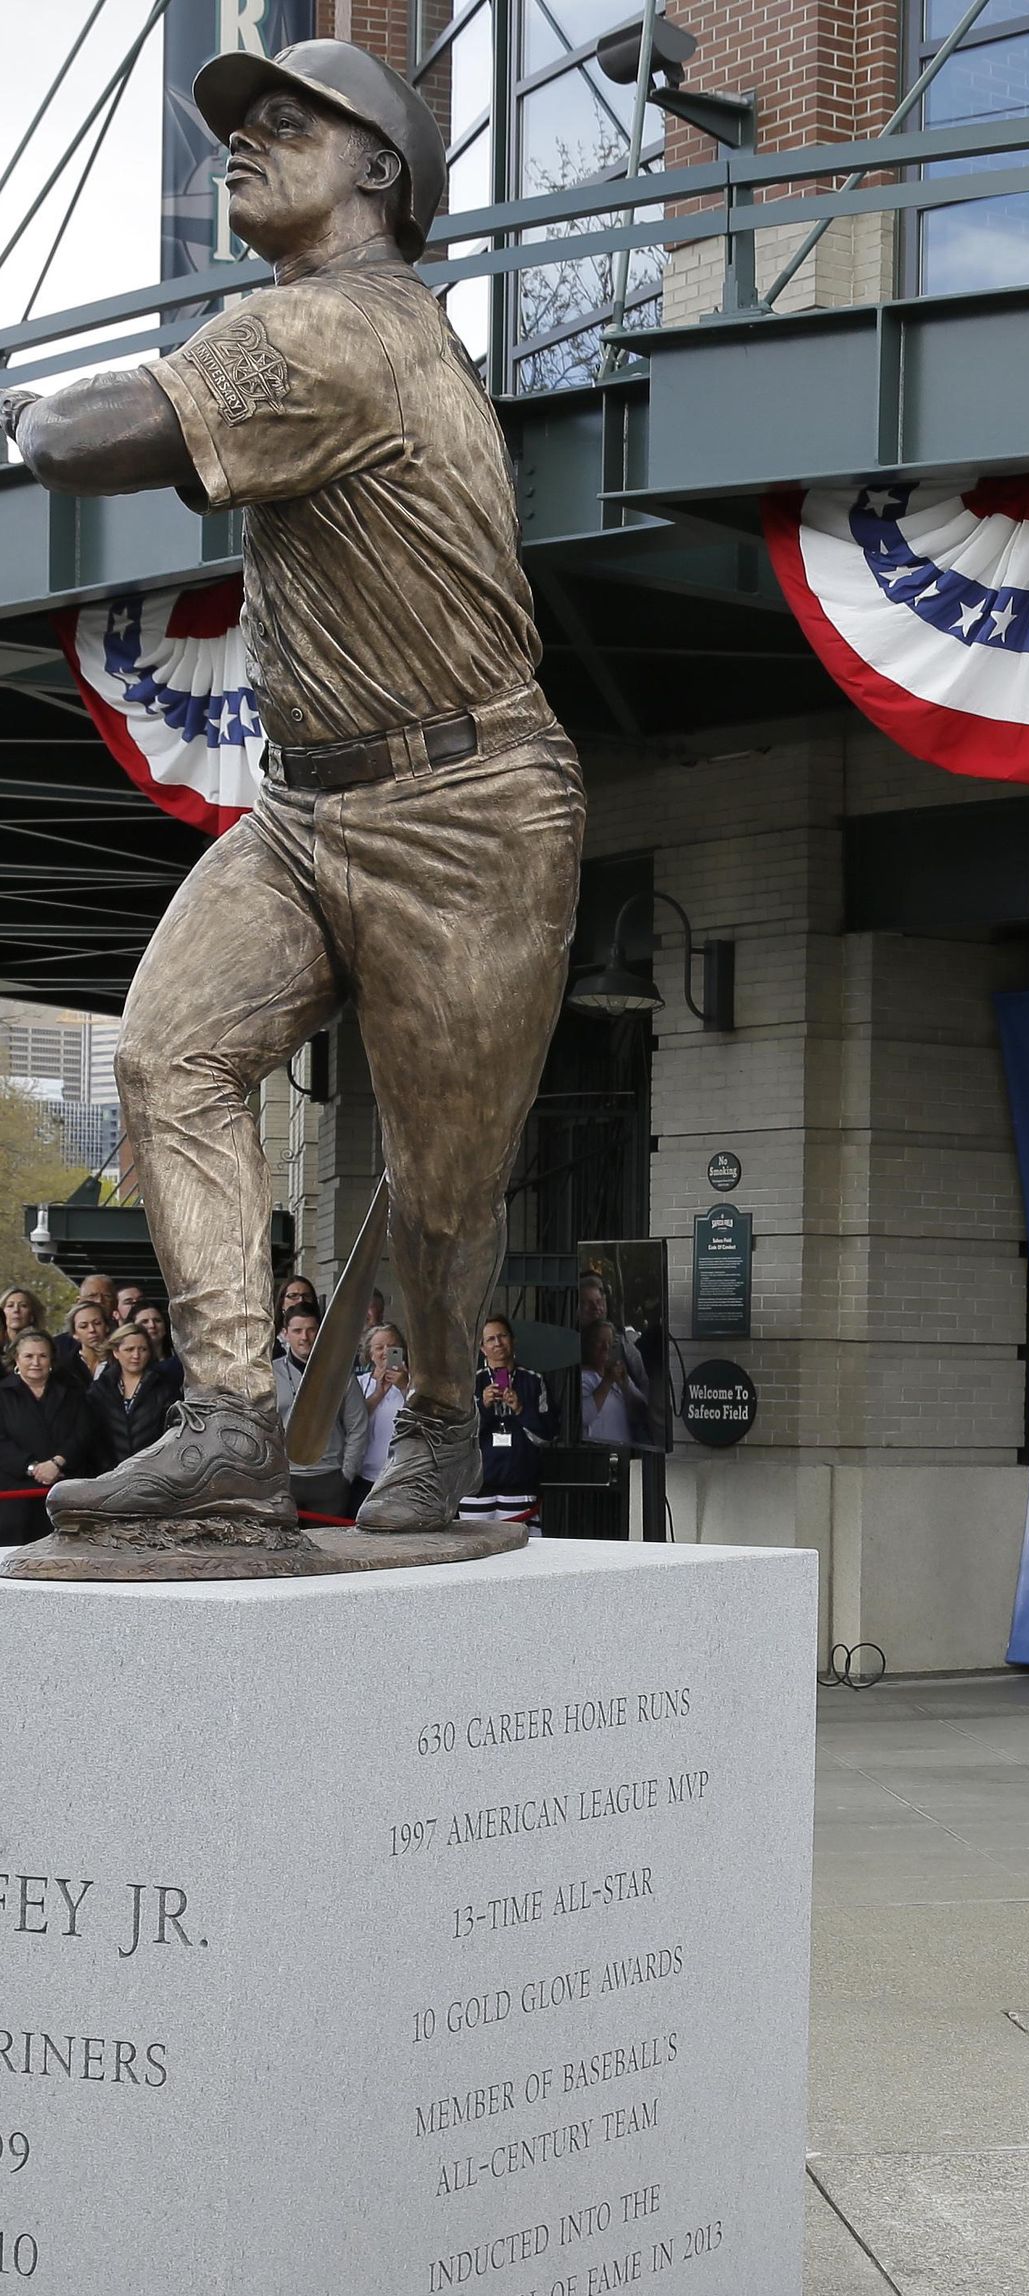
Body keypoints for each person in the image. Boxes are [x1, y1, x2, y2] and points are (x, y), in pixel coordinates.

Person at [10, 38, 584, 1550]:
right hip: (306, 805)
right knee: (167, 1054)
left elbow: (75, 439)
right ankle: (226, 1424)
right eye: (232, 133)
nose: (238, 151)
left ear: (380, 173)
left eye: (283, 125)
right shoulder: (314, 325)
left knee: (444, 1194)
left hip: (470, 815)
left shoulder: (342, 330)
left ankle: (444, 1428)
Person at [0, 1332, 99, 1547]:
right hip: (16, 1496)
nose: (35, 1362)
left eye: (42, 1356)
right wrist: (32, 1467)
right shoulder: (3, 1394)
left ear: (51, 1359)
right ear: (16, 1358)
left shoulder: (72, 1391)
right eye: (28, 1356)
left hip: (64, 1489)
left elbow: (83, 1432)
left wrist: (57, 1463)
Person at [271, 1305, 368, 1522]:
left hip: (330, 1480)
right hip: (285, 1480)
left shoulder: (339, 1372)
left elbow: (358, 1425)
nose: (305, 1337)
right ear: (285, 1334)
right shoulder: (270, 1374)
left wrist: (346, 1474)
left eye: (311, 1329)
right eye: (297, 1331)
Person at [467, 1314, 552, 1530]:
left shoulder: (533, 1381)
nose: (497, 1343)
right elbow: (458, 1437)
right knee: (476, 1558)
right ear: (482, 1348)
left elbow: (546, 1436)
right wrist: (482, 1407)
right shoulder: (470, 1384)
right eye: (490, 1339)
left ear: (513, 1340)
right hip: (476, 1488)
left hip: (520, 1487)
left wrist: (520, 1409)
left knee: (522, 1557)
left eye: (502, 1336)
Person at [90, 1323, 179, 1468]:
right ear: (116, 1352)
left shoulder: (163, 1388)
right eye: (129, 1349)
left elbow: (172, 1432)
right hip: (109, 1473)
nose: (136, 1355)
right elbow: (93, 1435)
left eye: (142, 1349)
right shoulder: (100, 1389)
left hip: (154, 1471)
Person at [354, 1322, 410, 1506]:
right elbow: (354, 1421)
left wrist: (404, 1386)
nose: (386, 1352)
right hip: (367, 1475)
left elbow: (424, 1416)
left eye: (392, 1346)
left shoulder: (415, 1382)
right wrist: (378, 1393)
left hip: (404, 1475)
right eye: (379, 1347)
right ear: (370, 1354)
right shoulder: (360, 1383)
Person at [577, 1320, 652, 1449]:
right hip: (596, 1453)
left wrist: (626, 1386)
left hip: (622, 1454)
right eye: (600, 1342)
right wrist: (607, 1382)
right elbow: (583, 1416)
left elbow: (643, 1411)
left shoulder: (617, 1375)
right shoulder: (582, 1377)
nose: (605, 1347)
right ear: (588, 1344)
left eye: (610, 1343)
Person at [55, 1298, 112, 1386]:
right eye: (83, 1326)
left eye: (97, 1323)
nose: (92, 1330)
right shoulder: (65, 1367)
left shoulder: (120, 1361)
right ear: (74, 1333)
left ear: (107, 1326)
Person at [133, 1301, 183, 1395]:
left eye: (157, 1320)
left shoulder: (182, 1359)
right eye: (144, 1322)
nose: (152, 1325)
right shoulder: (130, 1363)